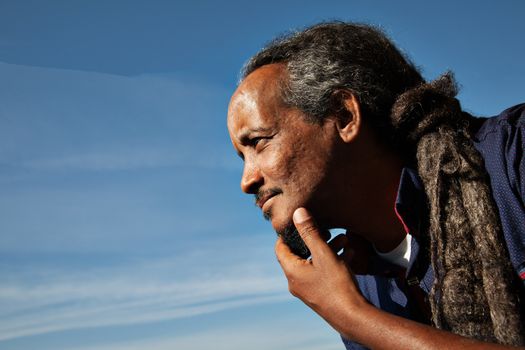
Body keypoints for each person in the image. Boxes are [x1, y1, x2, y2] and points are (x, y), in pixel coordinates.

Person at [227, 22, 525, 349]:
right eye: (242, 157)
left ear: (343, 116)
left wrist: (353, 317)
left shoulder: (514, 156)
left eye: (257, 142)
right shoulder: (361, 285)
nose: (247, 181)